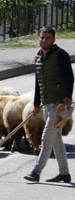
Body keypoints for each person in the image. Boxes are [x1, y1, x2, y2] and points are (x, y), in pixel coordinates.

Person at [24, 26, 73, 183]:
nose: (44, 40)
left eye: (47, 38)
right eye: (42, 37)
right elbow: (38, 83)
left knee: (46, 137)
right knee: (56, 139)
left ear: (53, 40)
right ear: (39, 38)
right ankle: (64, 173)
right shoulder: (38, 57)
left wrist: (67, 97)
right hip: (47, 104)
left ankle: (36, 172)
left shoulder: (61, 55)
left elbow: (70, 78)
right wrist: (37, 103)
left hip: (59, 105)